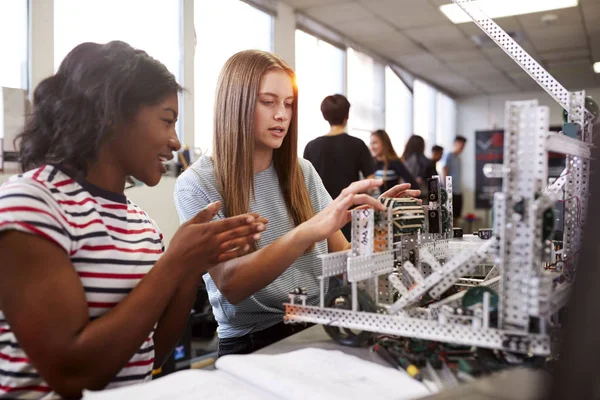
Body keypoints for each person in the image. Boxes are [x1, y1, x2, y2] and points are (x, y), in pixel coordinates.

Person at [0, 41, 266, 399]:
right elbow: (74, 374)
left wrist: (192, 267)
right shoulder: (30, 203)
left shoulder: (141, 224)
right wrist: (175, 263)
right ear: (112, 114)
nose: (175, 141)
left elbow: (151, 353)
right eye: (167, 120)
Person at [174, 50, 418, 357]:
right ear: (235, 103)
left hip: (319, 328)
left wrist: (376, 225)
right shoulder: (198, 183)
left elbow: (340, 254)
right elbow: (232, 284)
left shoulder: (301, 171)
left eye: (288, 104)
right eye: (268, 102)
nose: (282, 115)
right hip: (254, 344)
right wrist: (306, 232)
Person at [303, 94, 376, 240]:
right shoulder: (358, 145)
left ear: (324, 116)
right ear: (347, 116)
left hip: (321, 216)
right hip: (351, 214)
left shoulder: (311, 147)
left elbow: (304, 185)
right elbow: (371, 182)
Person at [442, 135, 467, 225]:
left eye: (464, 145)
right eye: (461, 145)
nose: (462, 148)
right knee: (449, 216)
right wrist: (446, 189)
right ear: (455, 144)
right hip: (450, 190)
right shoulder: (448, 156)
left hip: (458, 190)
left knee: (456, 216)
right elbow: (444, 170)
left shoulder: (459, 159)